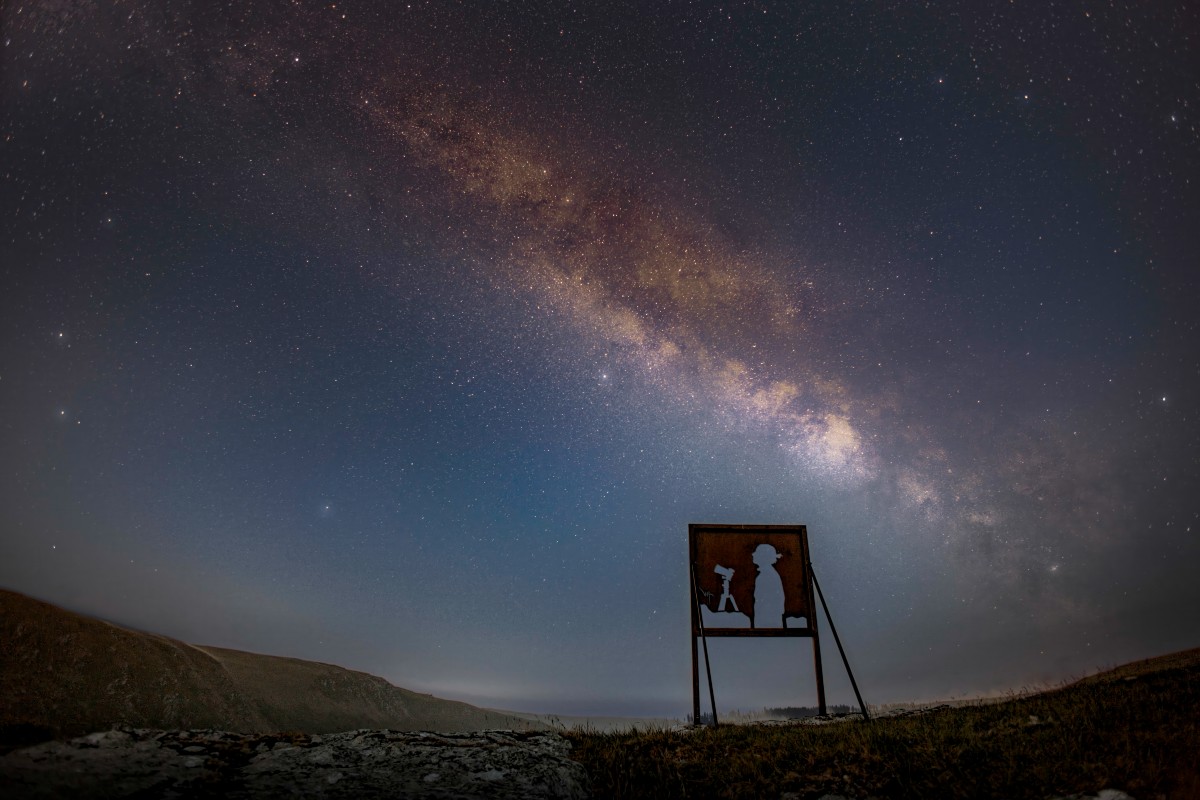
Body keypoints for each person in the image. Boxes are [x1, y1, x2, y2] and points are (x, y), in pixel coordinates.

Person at [751, 543, 786, 628]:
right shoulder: (768, 573)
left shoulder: (767, 575)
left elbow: (773, 599)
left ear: (764, 557)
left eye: (757, 553)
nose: (754, 554)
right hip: (768, 618)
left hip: (767, 620)